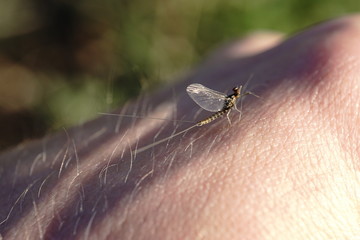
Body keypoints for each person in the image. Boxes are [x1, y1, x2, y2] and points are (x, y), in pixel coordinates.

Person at [0, 15, 359, 239]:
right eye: (235, 93)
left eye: (234, 94)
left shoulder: (228, 100)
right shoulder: (225, 103)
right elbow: (222, 108)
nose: (236, 94)